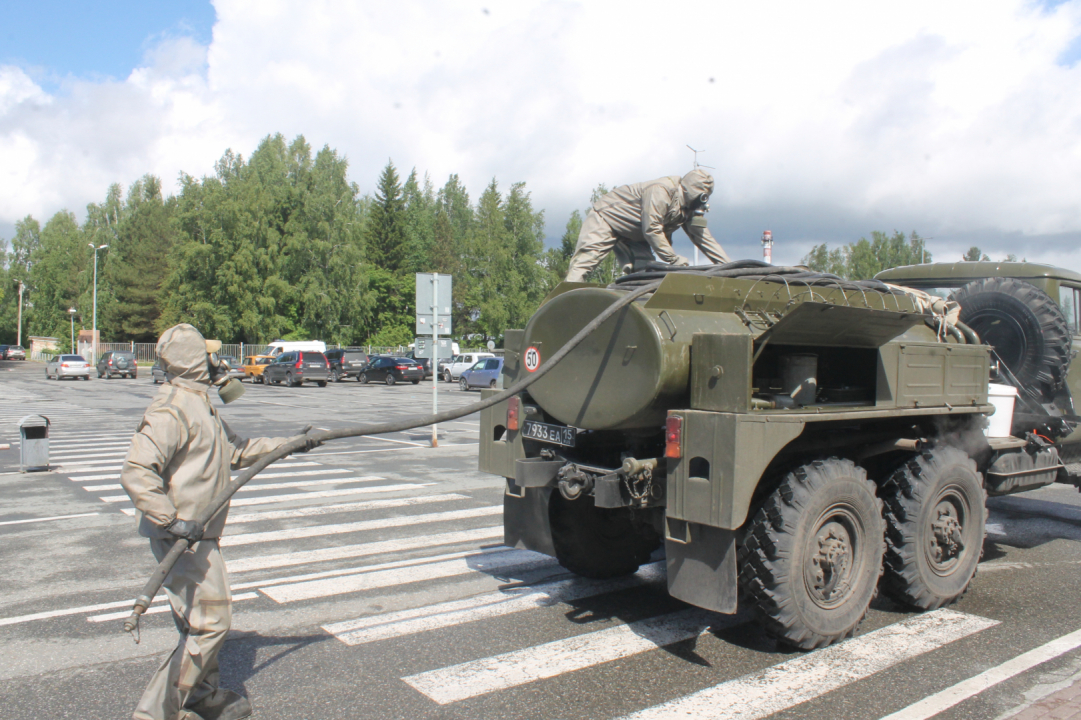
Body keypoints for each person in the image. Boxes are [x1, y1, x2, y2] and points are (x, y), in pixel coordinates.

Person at [121, 323, 319, 720]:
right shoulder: (171, 408)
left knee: (198, 623)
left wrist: (290, 445)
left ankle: (201, 696)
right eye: (210, 354)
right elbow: (136, 471)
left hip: (199, 532)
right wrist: (172, 521)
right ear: (196, 360)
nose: (218, 360)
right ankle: (154, 713)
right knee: (211, 621)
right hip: (182, 536)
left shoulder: (198, 403)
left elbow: (236, 450)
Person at [565, 168, 730, 282]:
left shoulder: (688, 207)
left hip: (637, 234)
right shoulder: (662, 190)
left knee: (645, 275)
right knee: (584, 264)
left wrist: (729, 269)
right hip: (608, 218)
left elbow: (703, 237)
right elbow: (652, 229)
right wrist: (673, 259)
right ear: (692, 191)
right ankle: (560, 310)